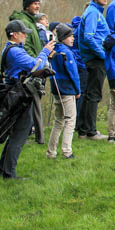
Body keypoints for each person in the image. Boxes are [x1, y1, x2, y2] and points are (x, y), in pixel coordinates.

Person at [0, 20, 55, 179]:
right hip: (19, 94)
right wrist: (45, 52)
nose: (25, 36)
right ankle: (9, 173)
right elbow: (35, 65)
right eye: (23, 33)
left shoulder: (11, 48)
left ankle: (4, 168)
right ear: (14, 35)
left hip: (14, 92)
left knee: (16, 131)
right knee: (21, 131)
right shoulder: (15, 51)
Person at [9, 0, 45, 144]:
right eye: (34, 4)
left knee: (30, 111)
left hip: (35, 66)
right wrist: (38, 62)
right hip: (29, 73)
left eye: (38, 3)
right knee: (27, 112)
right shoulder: (24, 22)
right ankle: (30, 136)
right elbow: (27, 48)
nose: (37, 6)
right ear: (27, 6)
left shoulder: (31, 21)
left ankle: (28, 134)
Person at [77, 0, 110, 141]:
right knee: (94, 94)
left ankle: (83, 130)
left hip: (94, 58)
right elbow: (88, 37)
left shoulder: (96, 12)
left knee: (90, 93)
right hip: (95, 59)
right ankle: (91, 131)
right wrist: (102, 54)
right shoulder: (92, 13)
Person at [47, 24, 80, 159]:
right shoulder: (67, 53)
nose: (73, 39)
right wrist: (78, 90)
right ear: (63, 38)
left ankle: (51, 152)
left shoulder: (53, 51)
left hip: (56, 89)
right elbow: (73, 74)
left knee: (58, 121)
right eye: (70, 36)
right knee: (70, 120)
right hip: (67, 89)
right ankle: (67, 151)